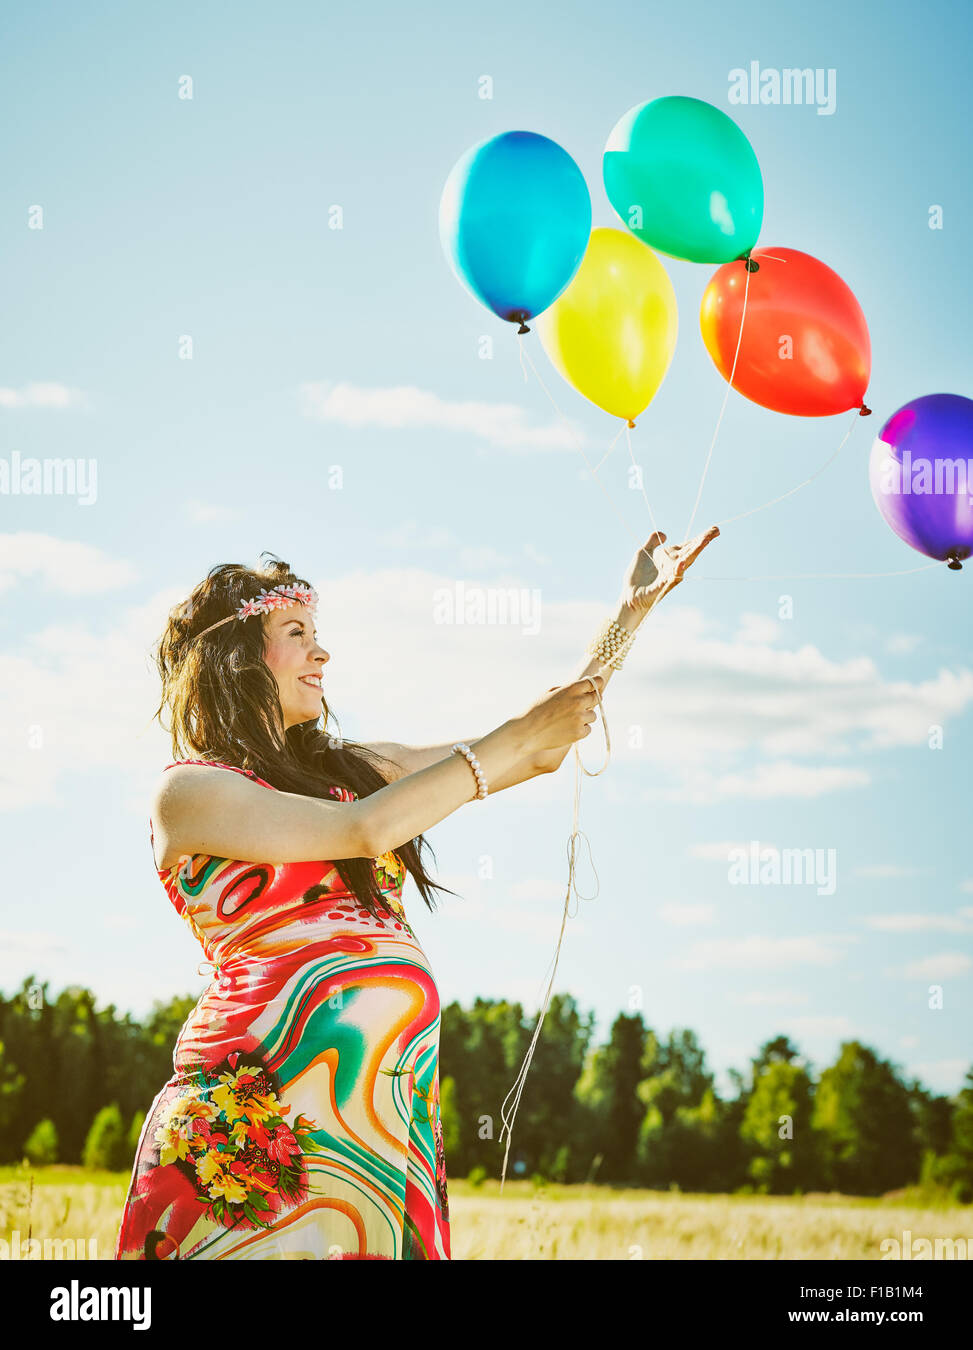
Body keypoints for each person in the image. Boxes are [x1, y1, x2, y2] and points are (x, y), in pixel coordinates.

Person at [114, 528, 716, 1261]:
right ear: (236, 658)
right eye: (296, 633)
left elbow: (538, 748)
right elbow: (366, 830)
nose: (322, 652)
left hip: (380, 1120)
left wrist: (624, 621)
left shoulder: (355, 765)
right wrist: (510, 738)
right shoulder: (188, 792)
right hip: (259, 1122)